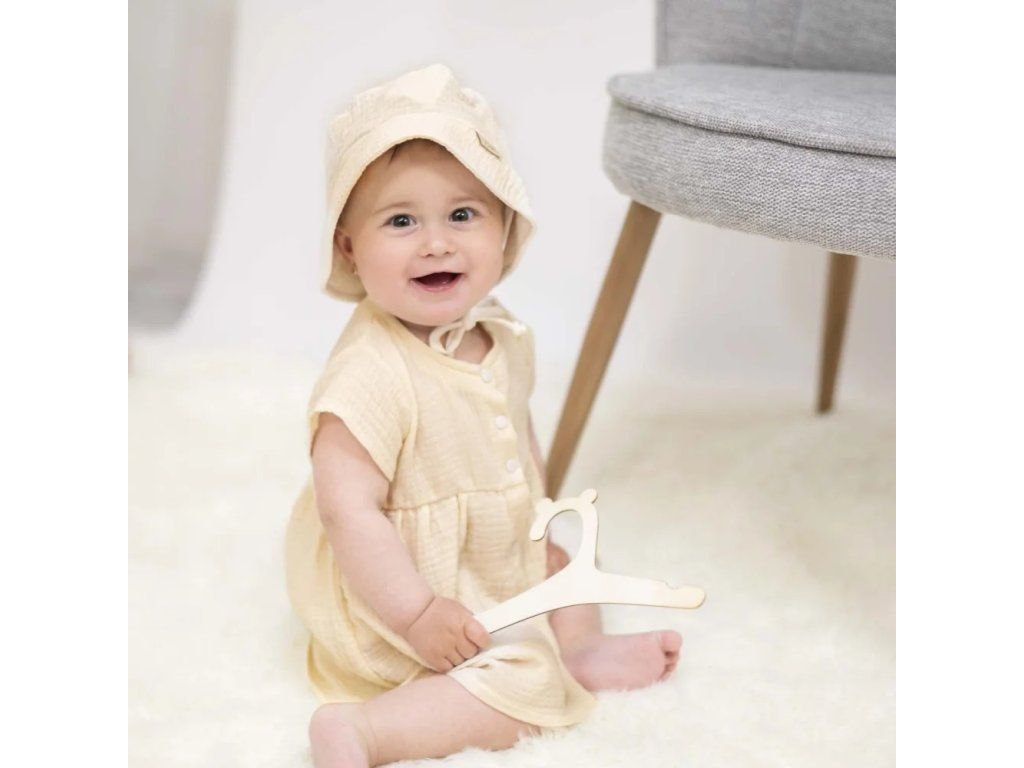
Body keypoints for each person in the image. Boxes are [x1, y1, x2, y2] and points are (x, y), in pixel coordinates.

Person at [284, 63, 682, 767]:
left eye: (462, 215)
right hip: (395, 590)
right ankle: (365, 731)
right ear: (349, 247)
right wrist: (416, 614)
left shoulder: (500, 332)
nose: (436, 242)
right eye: (401, 221)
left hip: (486, 554)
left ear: (505, 226)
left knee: (564, 565)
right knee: (523, 683)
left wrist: (534, 522)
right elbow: (348, 513)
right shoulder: (368, 374)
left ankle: (581, 647)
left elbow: (516, 433)